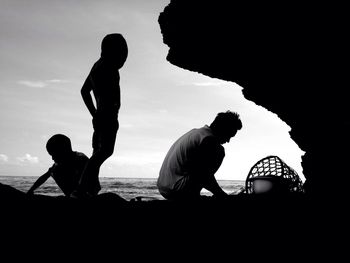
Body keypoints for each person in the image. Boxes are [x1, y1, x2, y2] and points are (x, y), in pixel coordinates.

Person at [71, 33, 128, 198]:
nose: (124, 58)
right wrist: (97, 113)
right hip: (107, 116)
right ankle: (81, 189)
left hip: (101, 116)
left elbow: (84, 91)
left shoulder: (97, 66)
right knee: (103, 152)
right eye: (122, 53)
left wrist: (94, 114)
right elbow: (85, 91)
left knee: (98, 152)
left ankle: (90, 188)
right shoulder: (107, 67)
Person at [157, 111, 242, 201]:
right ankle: (192, 195)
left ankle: (193, 194)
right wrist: (221, 195)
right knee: (219, 151)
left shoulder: (197, 133)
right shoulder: (209, 140)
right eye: (229, 135)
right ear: (223, 129)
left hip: (164, 187)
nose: (228, 140)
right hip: (176, 190)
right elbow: (204, 174)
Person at [27, 134, 94, 197]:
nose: (52, 158)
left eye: (54, 155)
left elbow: (91, 179)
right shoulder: (58, 165)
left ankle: (76, 195)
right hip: (72, 193)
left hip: (88, 192)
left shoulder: (81, 159)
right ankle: (71, 195)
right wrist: (31, 190)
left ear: (64, 151)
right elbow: (44, 177)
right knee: (54, 171)